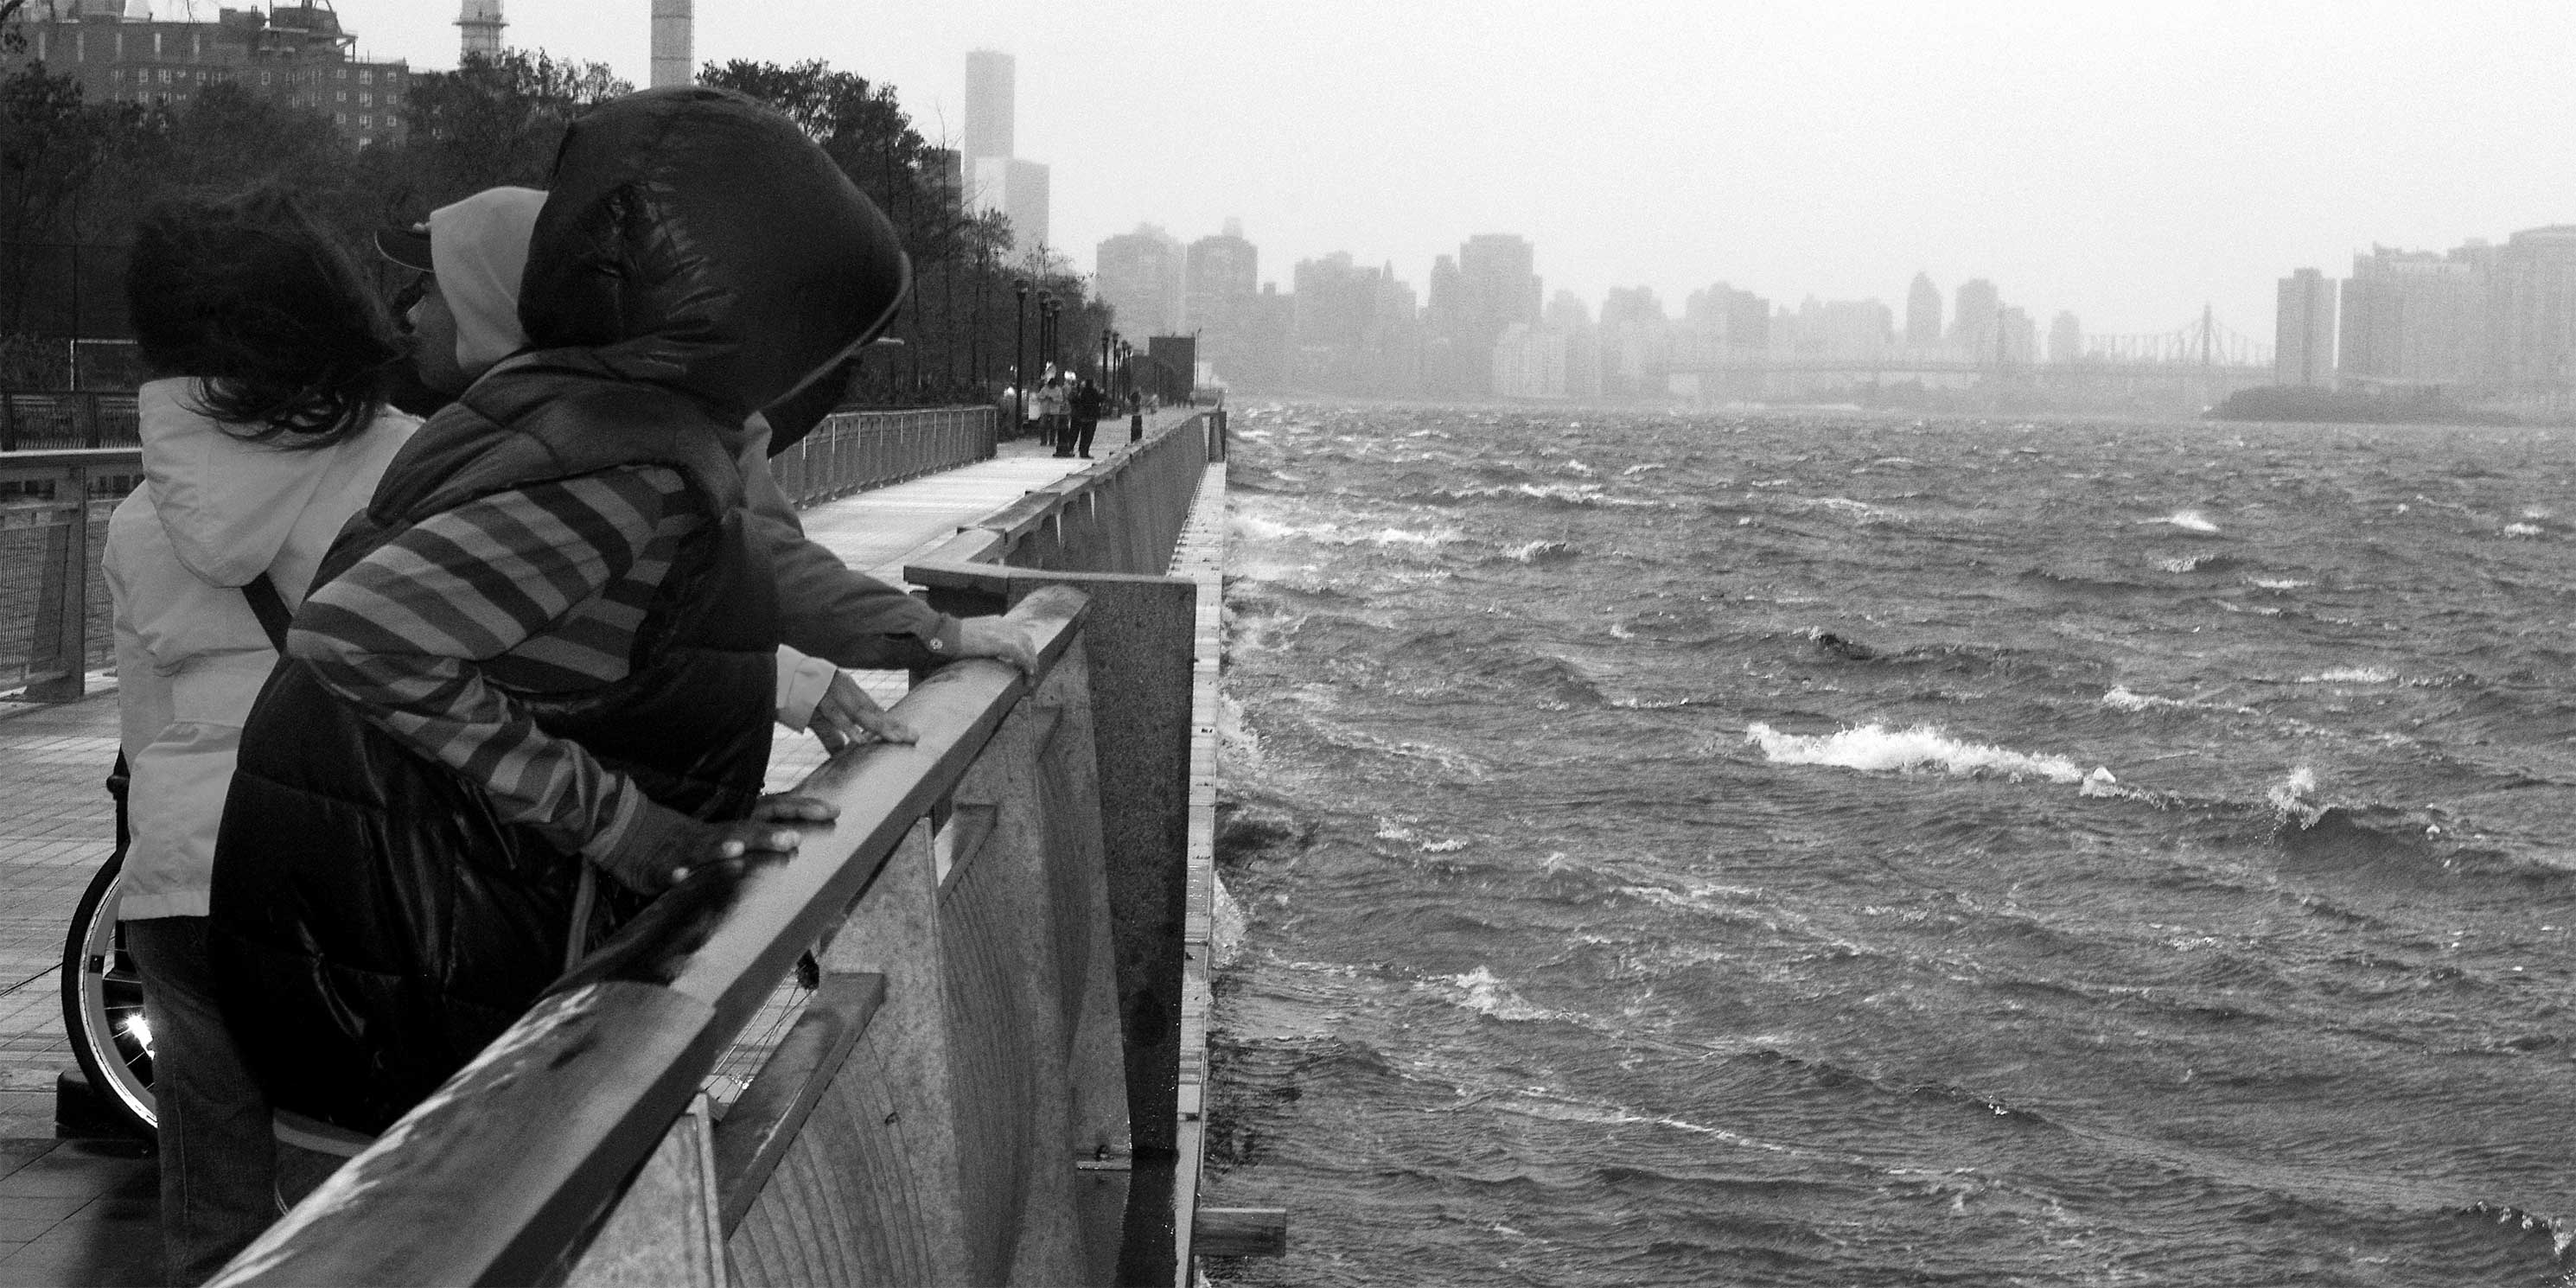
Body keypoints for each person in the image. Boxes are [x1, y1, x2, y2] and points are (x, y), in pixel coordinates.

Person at [204, 86, 952, 1141]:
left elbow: (629, 635)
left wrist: (699, 814)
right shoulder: (624, 460)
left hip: (382, 929)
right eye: (840, 338)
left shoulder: (577, 420)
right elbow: (363, 635)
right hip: (417, 952)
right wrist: (636, 829)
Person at [105, 188, 418, 1284]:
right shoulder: (413, 473)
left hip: (188, 887)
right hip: (349, 877)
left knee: (215, 1206)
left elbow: (146, 740)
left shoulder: (141, 517)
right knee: (375, 1199)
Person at [1064, 374, 1106, 459]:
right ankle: (1083, 451)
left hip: (1079, 416)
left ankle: (1070, 449)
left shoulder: (1080, 392)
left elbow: (1072, 401)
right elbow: (1100, 399)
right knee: (1087, 436)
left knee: (1074, 434)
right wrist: (1101, 393)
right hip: (1090, 417)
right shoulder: (1093, 392)